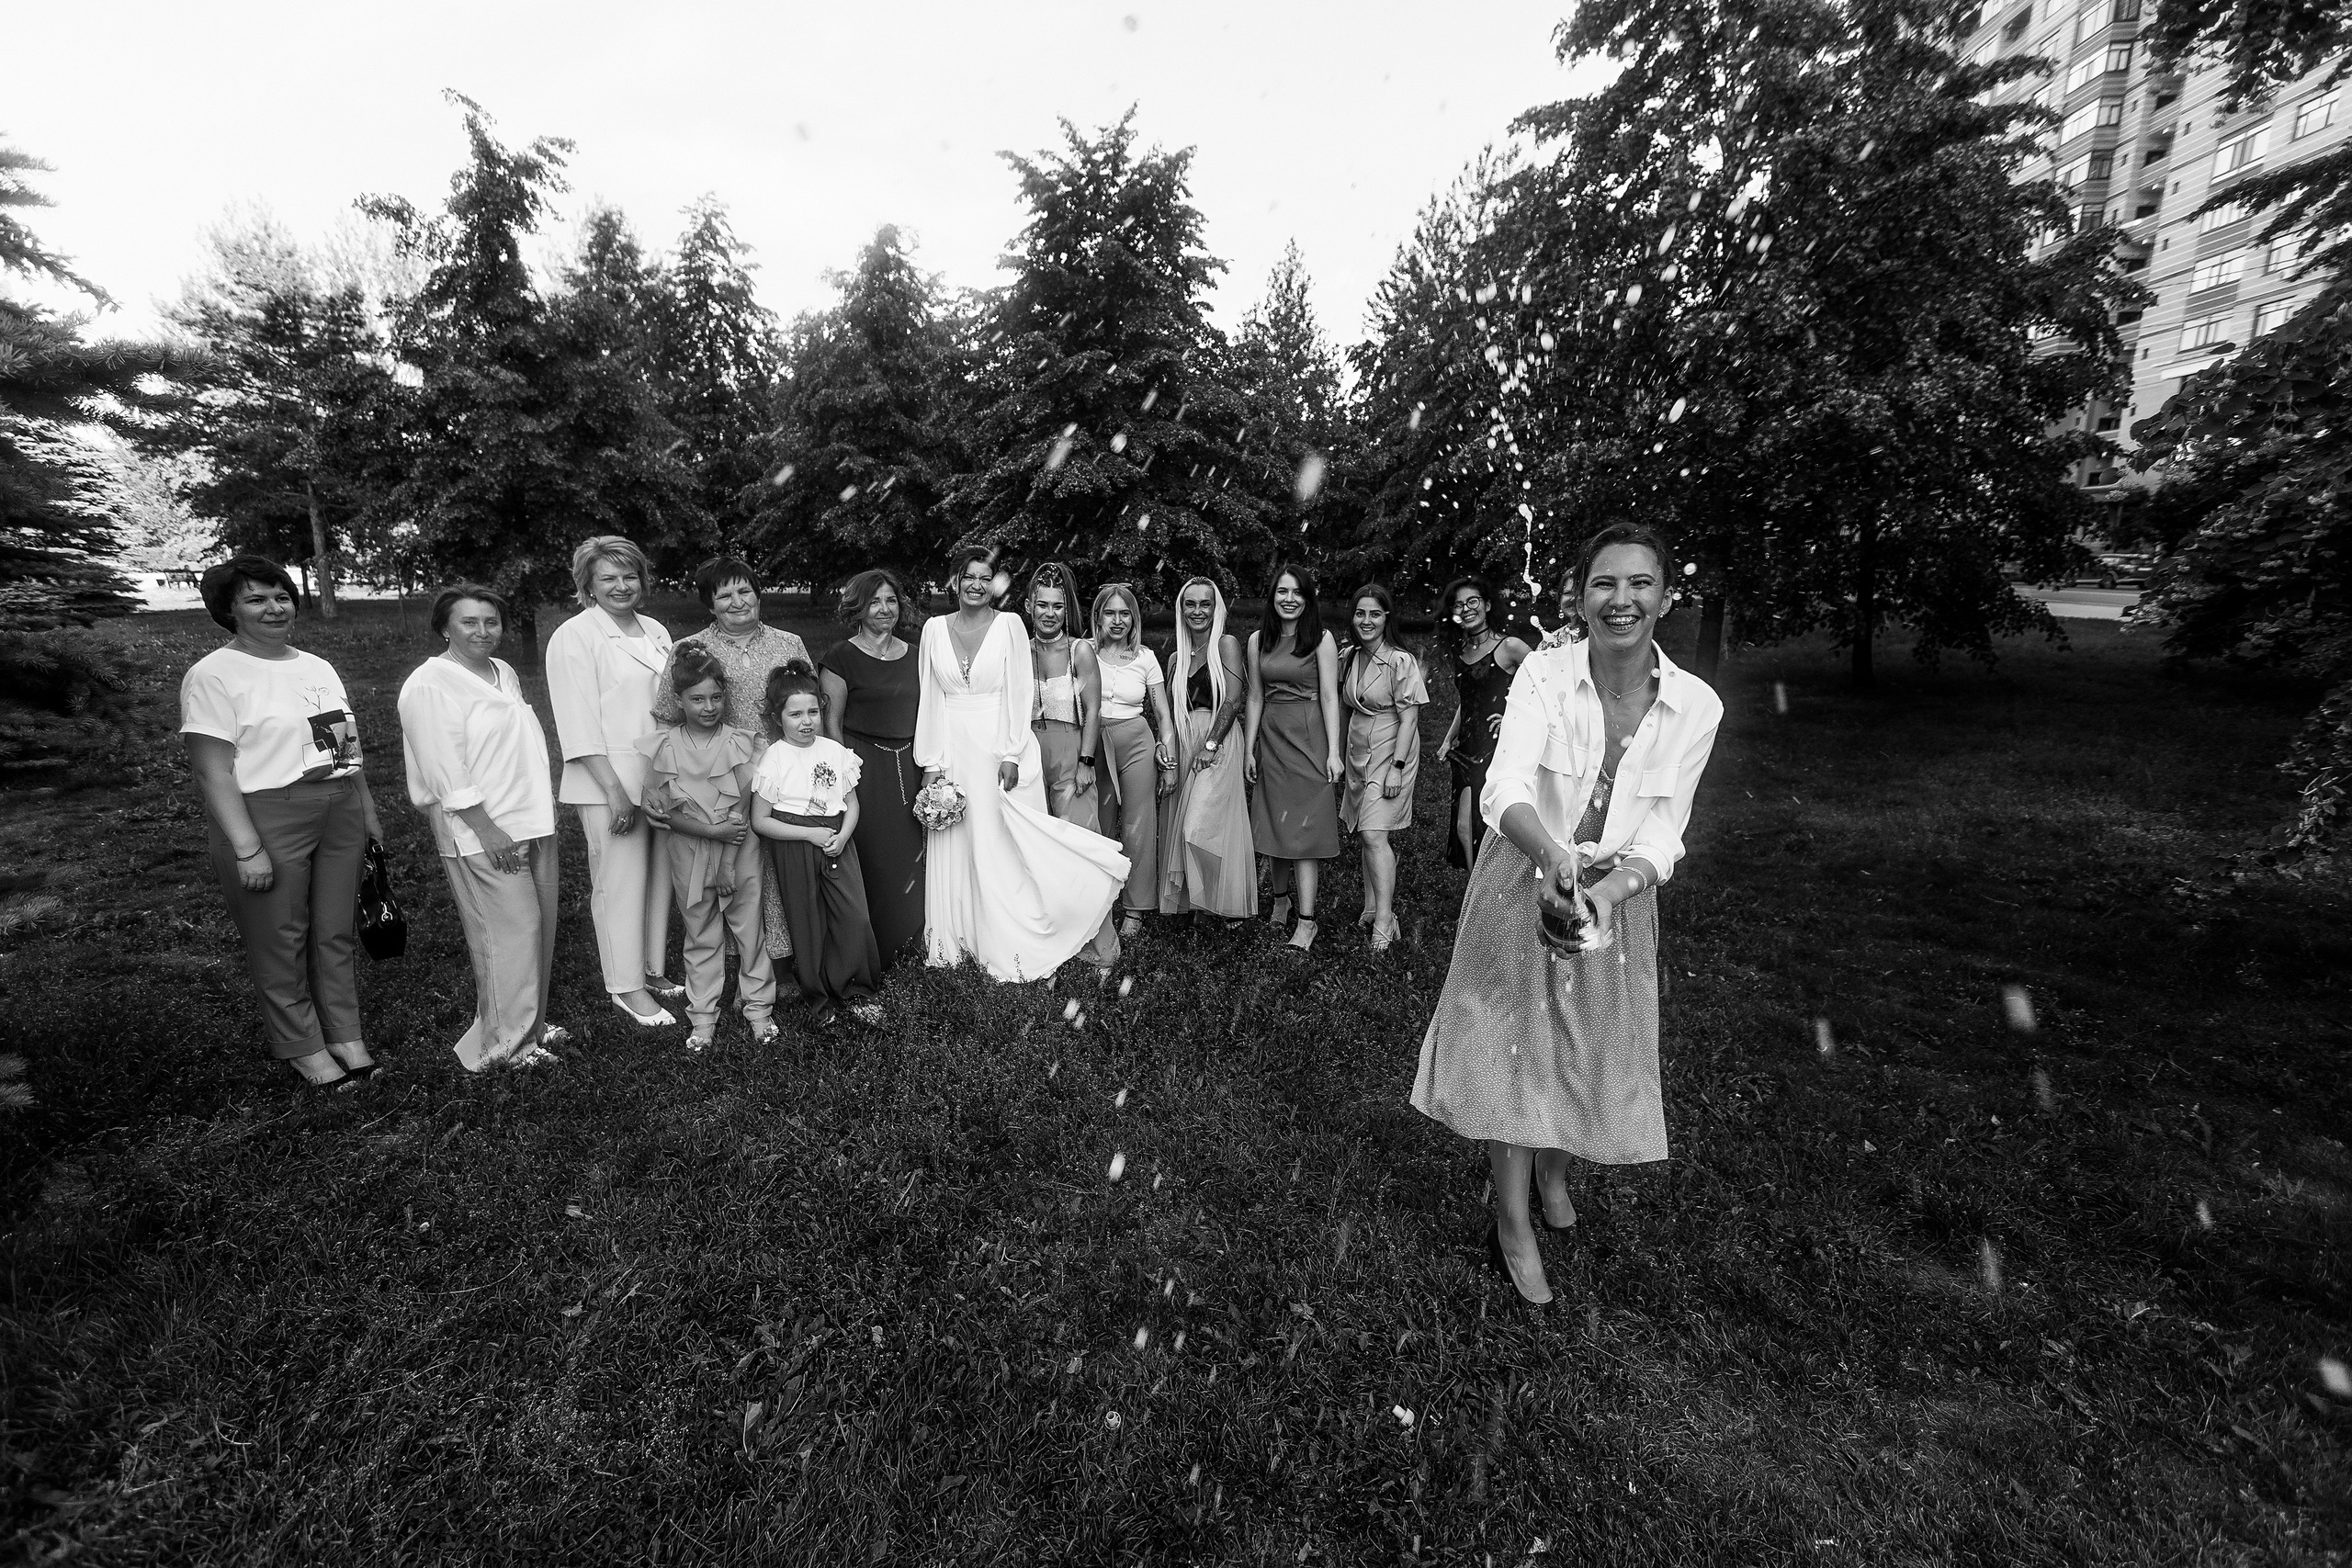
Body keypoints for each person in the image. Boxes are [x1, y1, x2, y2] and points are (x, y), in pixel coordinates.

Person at [1410, 522, 1724, 1308]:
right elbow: (1503, 786)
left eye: (1640, 583)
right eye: (1604, 584)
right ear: (1580, 597)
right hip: (1523, 871)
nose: (1622, 599)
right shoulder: (1545, 675)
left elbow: (1664, 831)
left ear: (1665, 595)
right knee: (1512, 1054)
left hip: (1620, 890)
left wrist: (1608, 896)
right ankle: (1511, 1226)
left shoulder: (1696, 707)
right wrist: (1556, 862)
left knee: (1584, 1048)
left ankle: (1556, 1168)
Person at [180, 554, 385, 1089]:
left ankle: (344, 1034)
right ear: (229, 609)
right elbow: (212, 771)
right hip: (267, 813)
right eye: (256, 598)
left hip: (337, 803)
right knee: (281, 936)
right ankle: (302, 1046)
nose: (274, 608)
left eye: (281, 596)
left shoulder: (317, 666)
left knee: (335, 931)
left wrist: (365, 811)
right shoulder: (213, 675)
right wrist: (247, 847)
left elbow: (344, 745)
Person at [914, 547, 1128, 981]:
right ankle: (967, 934)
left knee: (1057, 840)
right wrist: (931, 761)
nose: (975, 584)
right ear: (955, 580)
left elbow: (1028, 697)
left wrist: (1015, 753)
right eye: (967, 576)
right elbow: (929, 698)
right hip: (956, 751)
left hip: (1017, 750)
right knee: (966, 844)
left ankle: (1094, 942)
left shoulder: (1041, 638)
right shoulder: (935, 630)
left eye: (984, 576)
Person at [396, 584, 564, 1073]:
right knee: (508, 934)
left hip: (531, 821)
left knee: (538, 929)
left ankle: (527, 1022)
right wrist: (487, 830)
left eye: (491, 622)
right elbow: (443, 768)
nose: (482, 631)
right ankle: (501, 1048)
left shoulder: (502, 672)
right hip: (482, 832)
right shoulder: (430, 684)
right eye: (469, 622)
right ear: (444, 627)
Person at [544, 536, 683, 1028]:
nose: (621, 586)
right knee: (619, 882)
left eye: (630, 576)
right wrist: (614, 792)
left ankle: (652, 968)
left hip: (659, 775)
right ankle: (625, 987)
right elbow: (576, 724)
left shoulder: (657, 631)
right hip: (609, 781)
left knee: (658, 878)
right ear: (589, 585)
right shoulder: (575, 636)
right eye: (609, 578)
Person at [650, 557, 809, 966]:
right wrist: (655, 785)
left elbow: (808, 704)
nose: (737, 601)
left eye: (745, 591)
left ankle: (792, 954)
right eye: (725, 595)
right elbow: (667, 715)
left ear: (759, 594)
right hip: (719, 781)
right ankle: (745, 959)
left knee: (785, 861)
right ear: (710, 604)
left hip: (782, 768)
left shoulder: (788, 644)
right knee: (738, 867)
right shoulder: (690, 650)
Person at [639, 646, 777, 1053]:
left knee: (750, 932)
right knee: (700, 934)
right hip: (688, 852)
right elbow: (664, 814)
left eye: (716, 697)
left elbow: (738, 817)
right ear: (678, 700)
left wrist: (727, 863)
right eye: (697, 698)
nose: (708, 706)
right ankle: (702, 1017)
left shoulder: (740, 744)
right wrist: (709, 834)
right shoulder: (664, 747)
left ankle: (760, 1010)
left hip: (739, 855)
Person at [752, 660, 886, 1026]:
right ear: (778, 717)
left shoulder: (833, 751)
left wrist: (843, 835)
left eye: (813, 711)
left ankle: (857, 989)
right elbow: (760, 820)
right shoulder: (774, 759)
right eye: (795, 714)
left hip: (837, 840)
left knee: (853, 915)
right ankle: (820, 999)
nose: (806, 721)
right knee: (808, 922)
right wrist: (809, 834)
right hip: (796, 842)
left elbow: (852, 804)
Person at [820, 569, 926, 962]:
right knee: (872, 857)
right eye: (874, 601)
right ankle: (872, 947)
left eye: (891, 600)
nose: (884, 609)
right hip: (863, 768)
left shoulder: (917, 655)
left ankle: (913, 941)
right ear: (858, 609)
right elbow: (831, 724)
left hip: (911, 766)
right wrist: (844, 781)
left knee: (912, 856)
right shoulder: (840, 658)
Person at [1026, 563, 1121, 974]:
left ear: (1068, 611)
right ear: (1029, 605)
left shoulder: (1079, 650)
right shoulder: (1020, 649)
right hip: (1030, 752)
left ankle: (1102, 948)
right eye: (1043, 605)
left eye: (1058, 607)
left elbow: (1094, 708)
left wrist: (1086, 761)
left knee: (1081, 847)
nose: (1050, 613)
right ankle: (1055, 940)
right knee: (1037, 851)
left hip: (1071, 751)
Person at [1244, 562, 1343, 952]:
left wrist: (1333, 752)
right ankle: (1280, 901)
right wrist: (1251, 747)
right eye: (1282, 592)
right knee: (1273, 824)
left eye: (1297, 593)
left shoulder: (1321, 639)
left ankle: (1307, 921)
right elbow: (1255, 696)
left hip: (1309, 739)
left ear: (1307, 599)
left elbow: (1330, 697)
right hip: (1272, 737)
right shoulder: (1257, 641)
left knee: (1303, 830)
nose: (1289, 599)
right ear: (1273, 597)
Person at [1156, 577, 1254, 923]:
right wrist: (1163, 748)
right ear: (1181, 609)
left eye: (1205, 604)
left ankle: (1219, 899)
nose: (1198, 611)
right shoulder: (1174, 659)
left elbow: (1233, 698)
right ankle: (1200, 905)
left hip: (1218, 741)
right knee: (1185, 822)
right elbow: (1166, 714)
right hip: (1184, 743)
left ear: (1216, 608)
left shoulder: (1225, 645)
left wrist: (1211, 744)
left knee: (1201, 824)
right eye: (1190, 604)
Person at [1339, 583, 1430, 953]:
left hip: (1393, 751)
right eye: (1360, 613)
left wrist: (1397, 766)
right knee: (1365, 830)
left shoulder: (1399, 661)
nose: (1367, 620)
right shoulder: (1348, 656)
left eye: (1375, 614)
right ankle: (1371, 904)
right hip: (1358, 751)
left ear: (1387, 618)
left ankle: (1385, 919)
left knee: (1375, 834)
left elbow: (1410, 719)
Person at [1090, 581, 1174, 939]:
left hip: (1136, 740)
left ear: (1134, 619)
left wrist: (1167, 753)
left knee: (1139, 825)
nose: (1118, 620)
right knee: (1098, 823)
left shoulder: (1145, 657)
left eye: (1125, 613)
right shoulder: (1083, 652)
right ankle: (1097, 902)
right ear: (1099, 617)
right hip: (1093, 742)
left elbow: (1163, 715)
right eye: (1110, 613)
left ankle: (1136, 909)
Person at [1433, 575, 1532, 871]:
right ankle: (1477, 894)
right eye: (1459, 604)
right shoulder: (1461, 651)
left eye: (1472, 601)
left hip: (1497, 749)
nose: (1466, 609)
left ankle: (1494, 890)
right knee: (1465, 828)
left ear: (1487, 605)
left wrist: (1514, 719)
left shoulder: (1510, 647)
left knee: (1493, 827)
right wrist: (1448, 739)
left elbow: (1547, 686)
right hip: (1465, 750)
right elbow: (1470, 700)